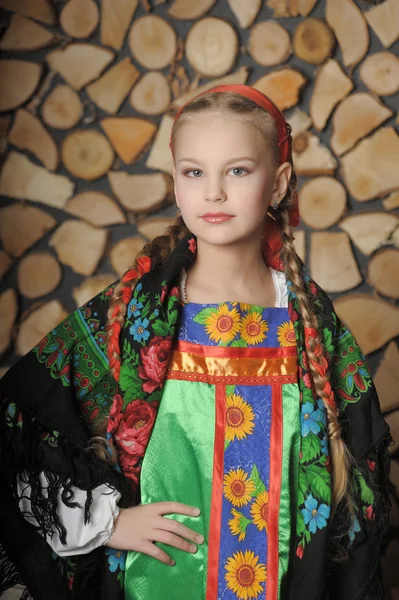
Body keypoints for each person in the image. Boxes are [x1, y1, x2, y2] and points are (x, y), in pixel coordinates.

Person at [0, 85, 392, 600]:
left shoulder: (307, 321)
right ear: (176, 183)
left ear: (278, 184)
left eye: (237, 171)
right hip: (157, 580)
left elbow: (358, 458)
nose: (213, 192)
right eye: (194, 172)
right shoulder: (135, 312)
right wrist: (109, 522)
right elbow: (22, 419)